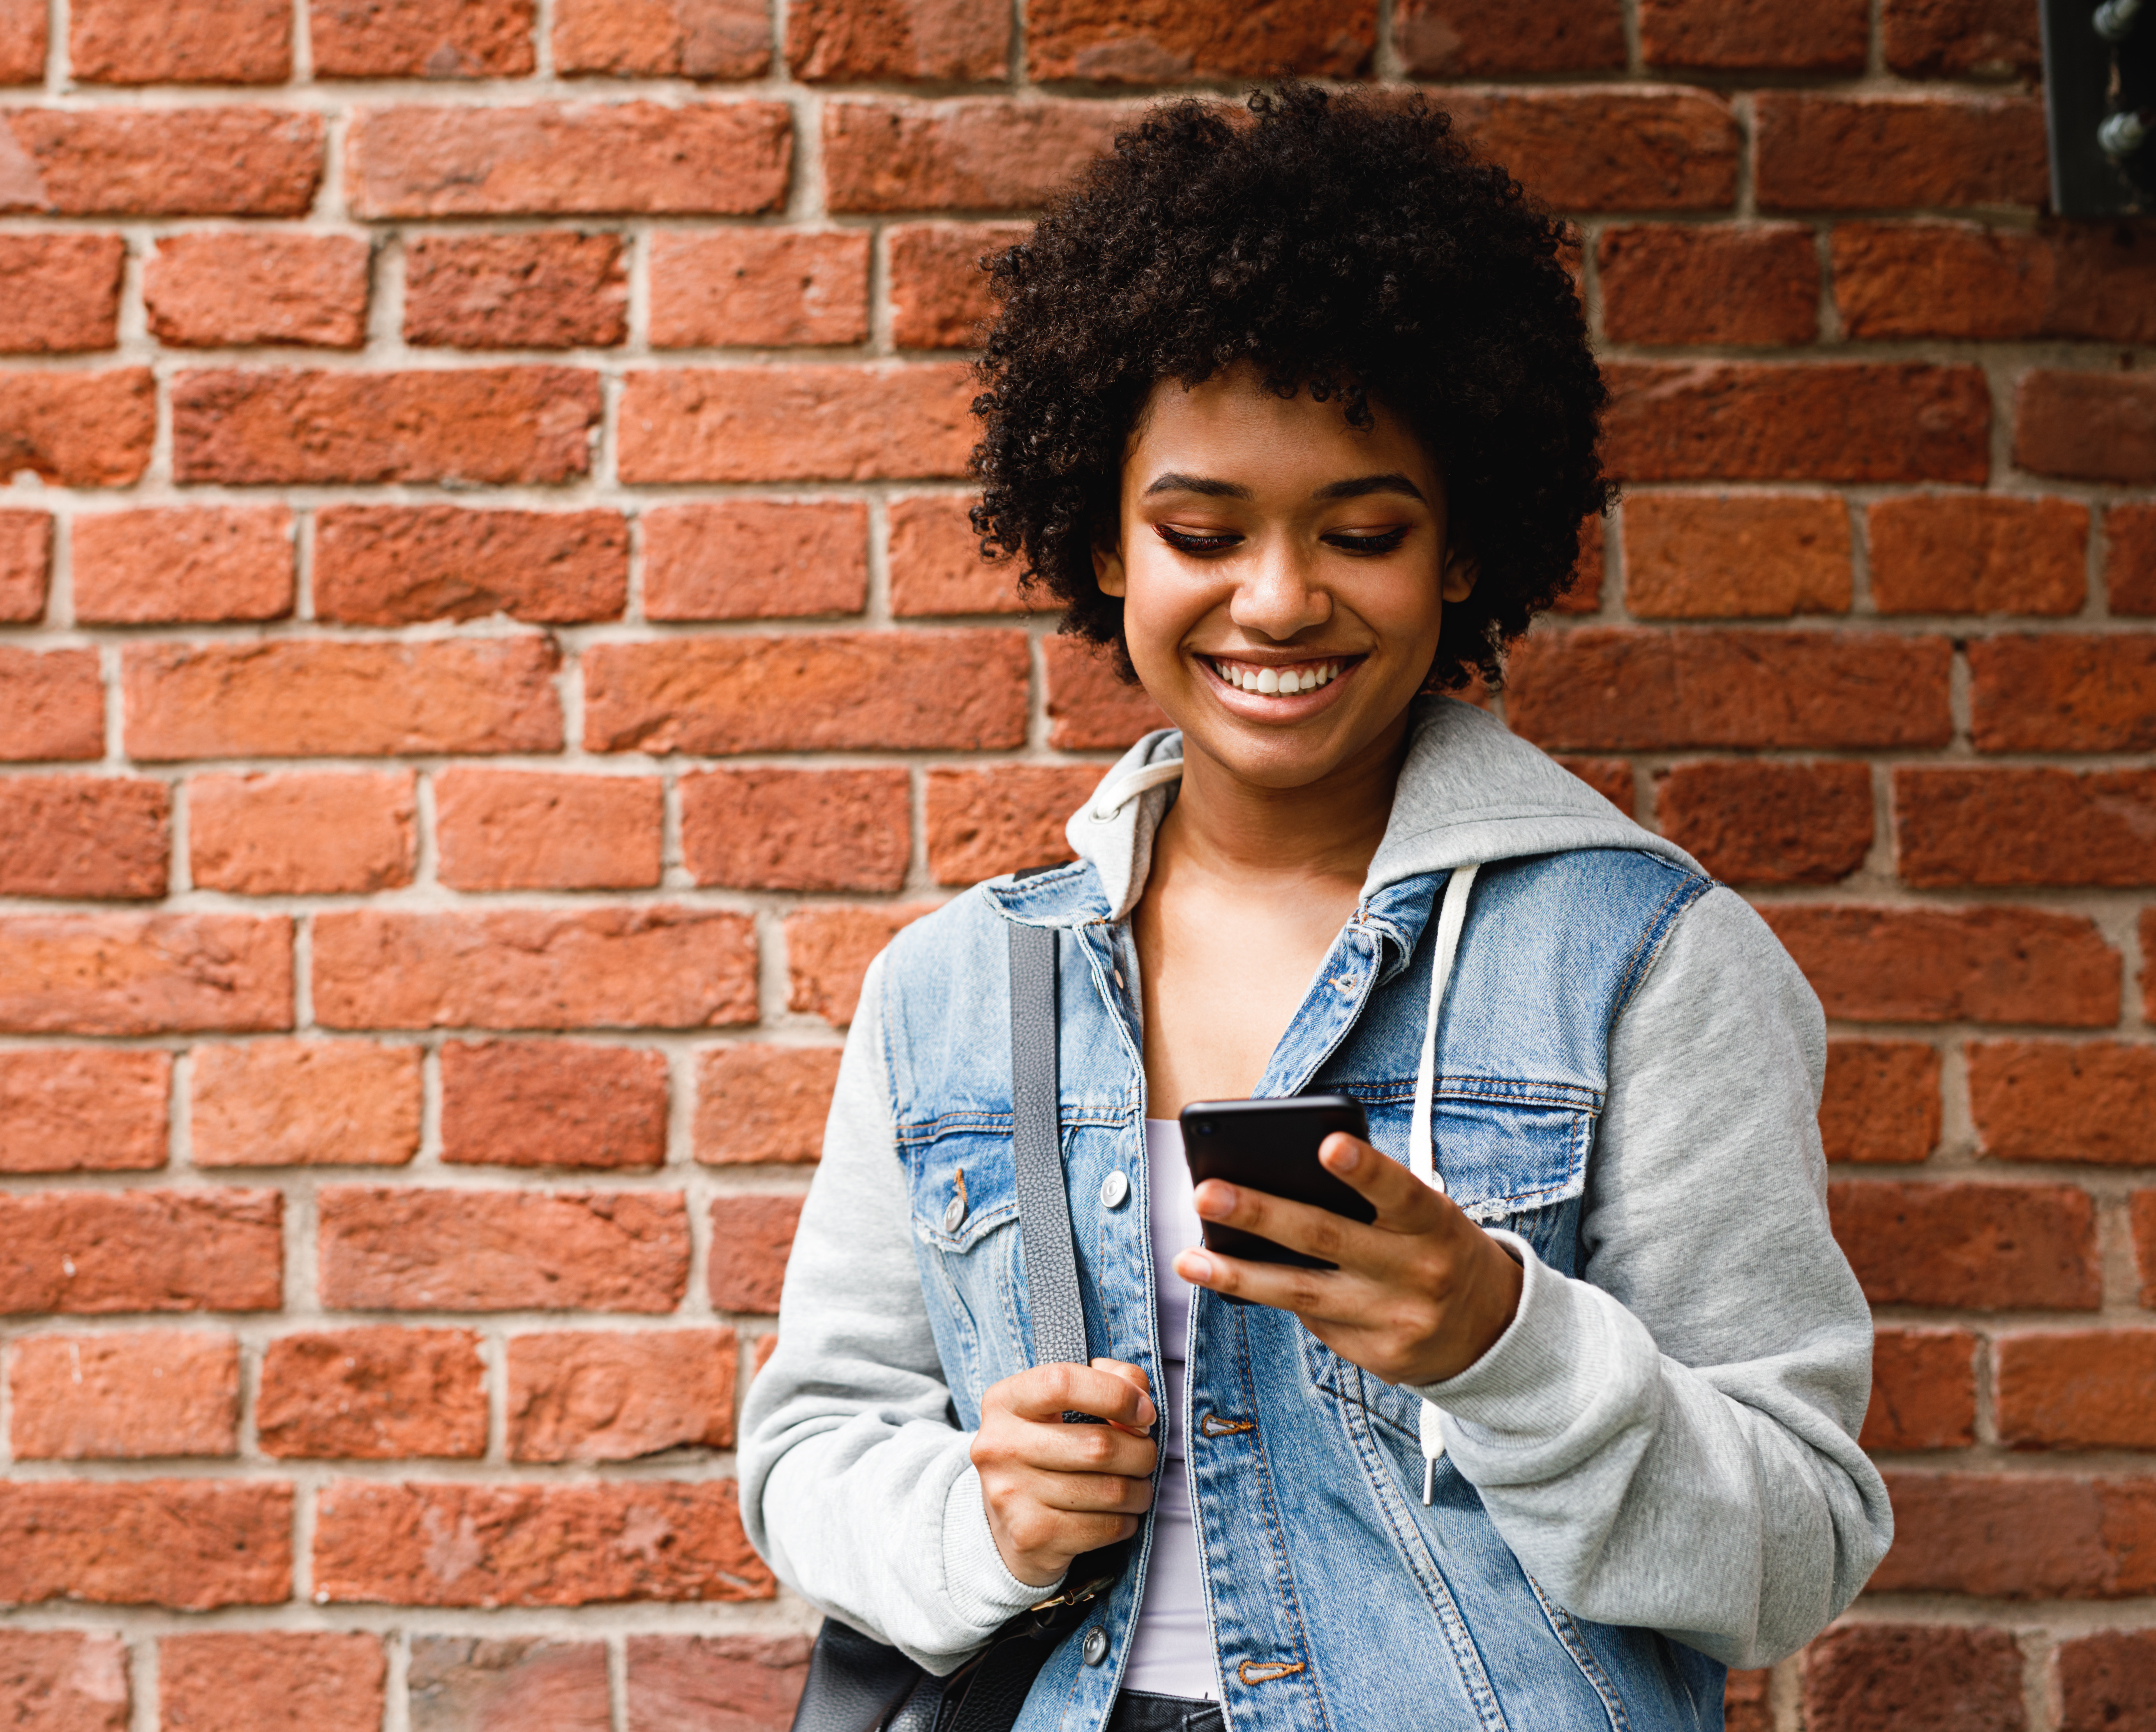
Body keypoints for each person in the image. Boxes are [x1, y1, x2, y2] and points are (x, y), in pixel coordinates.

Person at [736, 86, 1892, 1732]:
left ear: (1465, 548)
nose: (1274, 598)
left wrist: (1505, 1340)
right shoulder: (956, 985)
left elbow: (1797, 1545)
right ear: (1099, 541)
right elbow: (806, 1454)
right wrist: (977, 1512)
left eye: (1360, 531)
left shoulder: (1648, 968)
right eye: (1198, 531)